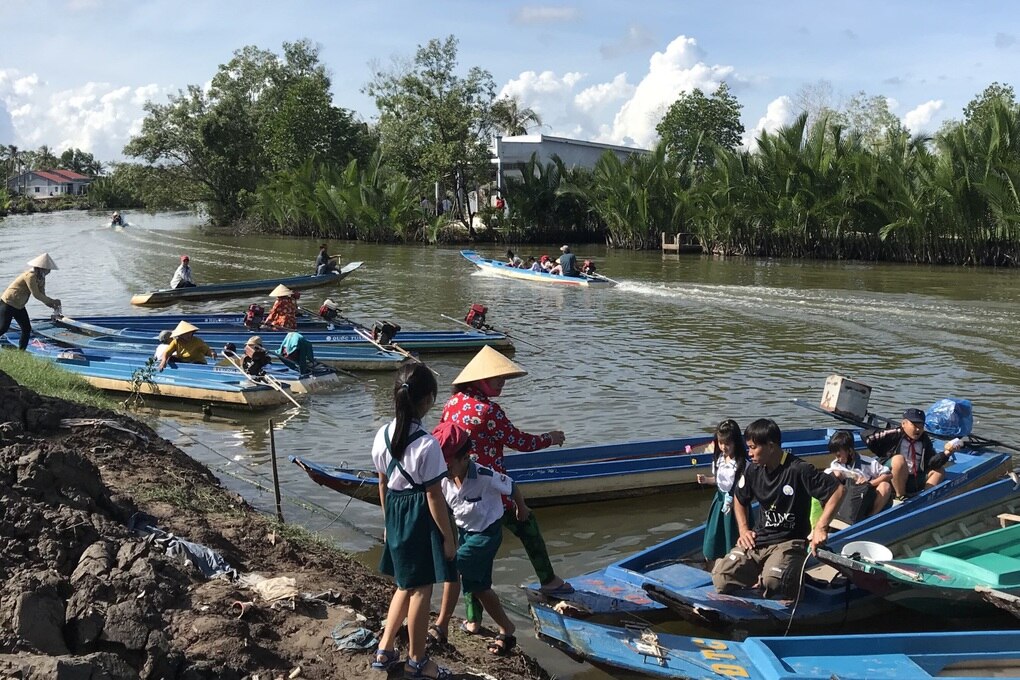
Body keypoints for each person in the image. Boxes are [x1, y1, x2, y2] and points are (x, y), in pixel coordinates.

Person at [440, 346, 571, 634]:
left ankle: (473, 619)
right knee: (527, 525)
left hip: (460, 488)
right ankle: (548, 580)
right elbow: (520, 441)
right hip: (492, 488)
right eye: (496, 378)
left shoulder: (452, 403)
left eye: (503, 378)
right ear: (479, 380)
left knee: (468, 554)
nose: (502, 383)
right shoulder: (488, 411)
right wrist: (550, 437)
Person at [370, 363, 456, 679]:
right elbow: (434, 498)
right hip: (418, 512)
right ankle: (418, 660)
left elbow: (381, 482)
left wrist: (387, 521)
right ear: (430, 399)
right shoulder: (427, 444)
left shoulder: (382, 433)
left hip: (393, 508)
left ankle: (385, 648)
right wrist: (448, 537)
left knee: (403, 585)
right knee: (421, 589)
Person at [711, 418, 844, 599]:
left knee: (774, 582)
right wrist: (743, 530)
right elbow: (739, 498)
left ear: (771, 446)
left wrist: (821, 527)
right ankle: (761, 577)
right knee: (721, 577)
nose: (749, 453)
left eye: (753, 447)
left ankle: (787, 581)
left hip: (790, 542)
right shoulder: (753, 471)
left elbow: (837, 490)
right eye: (748, 447)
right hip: (760, 540)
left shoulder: (799, 469)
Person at [429, 422, 521, 656]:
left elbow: (511, 487)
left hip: (487, 535)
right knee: (480, 587)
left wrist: (522, 508)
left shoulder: (484, 476)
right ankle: (506, 628)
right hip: (466, 533)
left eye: (449, 465)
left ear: (464, 458)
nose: (446, 471)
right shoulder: (443, 478)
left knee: (454, 566)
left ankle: (441, 625)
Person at [864, 408, 959, 500]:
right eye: (915, 426)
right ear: (903, 424)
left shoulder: (924, 440)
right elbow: (866, 435)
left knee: (939, 471)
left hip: (914, 478)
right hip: (892, 476)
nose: (918, 430)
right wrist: (881, 452)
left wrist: (946, 453)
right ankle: (900, 496)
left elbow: (931, 463)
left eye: (921, 427)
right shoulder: (894, 434)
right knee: (898, 460)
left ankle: (925, 499)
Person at [696, 419, 750, 566]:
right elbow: (719, 481)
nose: (723, 447)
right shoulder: (719, 459)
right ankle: (713, 561)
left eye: (727, 444)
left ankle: (734, 563)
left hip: (736, 505)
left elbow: (746, 488)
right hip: (719, 502)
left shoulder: (742, 464)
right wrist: (706, 480)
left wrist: (734, 499)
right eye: (720, 443)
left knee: (731, 536)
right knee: (713, 536)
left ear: (736, 443)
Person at [823, 430, 893, 518]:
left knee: (885, 486)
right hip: (850, 502)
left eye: (839, 455)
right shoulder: (836, 465)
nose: (838, 459)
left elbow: (888, 475)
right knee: (835, 476)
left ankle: (871, 517)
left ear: (850, 450)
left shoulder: (868, 462)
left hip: (868, 498)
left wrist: (869, 484)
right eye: (836, 456)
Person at [0, 253, 62, 350]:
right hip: (8, 302)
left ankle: (21, 352)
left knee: (26, 329)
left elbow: (42, 294)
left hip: (19, 305)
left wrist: (51, 304)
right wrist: (52, 301)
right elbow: (36, 294)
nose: (49, 271)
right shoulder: (30, 276)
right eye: (48, 269)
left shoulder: (41, 278)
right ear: (41, 268)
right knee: (3, 328)